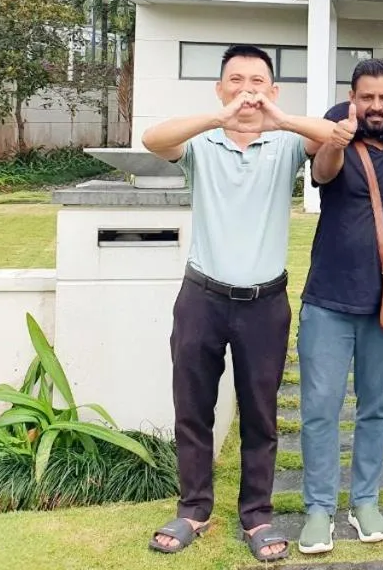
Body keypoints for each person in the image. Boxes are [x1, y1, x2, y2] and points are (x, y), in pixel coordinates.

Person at [142, 45, 339, 563]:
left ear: (273, 90)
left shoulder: (285, 142)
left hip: (265, 303)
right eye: (236, 80)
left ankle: (257, 515)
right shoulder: (201, 142)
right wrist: (219, 118)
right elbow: (152, 139)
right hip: (201, 297)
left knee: (261, 414)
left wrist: (278, 118)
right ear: (220, 88)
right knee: (192, 408)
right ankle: (193, 509)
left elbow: (334, 136)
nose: (247, 90)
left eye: (257, 82)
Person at [297, 58, 383, 553]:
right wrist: (337, 137)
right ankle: (319, 507)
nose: (376, 105)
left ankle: (365, 500)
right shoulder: (337, 133)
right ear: (352, 97)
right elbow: (322, 173)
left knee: (377, 407)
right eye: (366, 96)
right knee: (320, 408)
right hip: (328, 297)